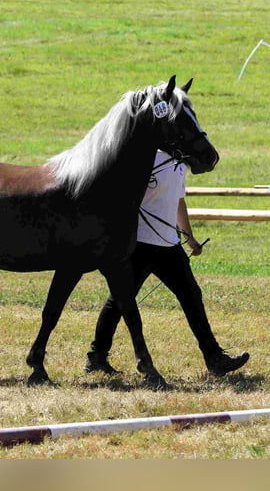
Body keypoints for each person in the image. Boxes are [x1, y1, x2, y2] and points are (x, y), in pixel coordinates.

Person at [84, 149, 249, 377]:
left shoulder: (181, 162)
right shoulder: (144, 156)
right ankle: (97, 357)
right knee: (119, 301)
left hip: (169, 245)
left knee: (192, 296)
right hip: (139, 244)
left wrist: (189, 237)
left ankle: (215, 358)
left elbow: (178, 200)